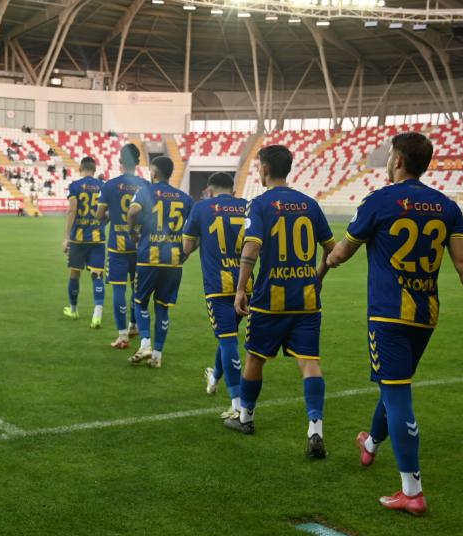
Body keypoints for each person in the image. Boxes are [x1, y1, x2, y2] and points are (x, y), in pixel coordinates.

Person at [325, 133, 463, 514]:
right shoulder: (446, 207)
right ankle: (371, 444)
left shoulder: (379, 201)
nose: (388, 161)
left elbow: (343, 251)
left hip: (388, 315)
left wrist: (329, 261)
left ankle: (412, 492)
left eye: (389, 155)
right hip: (425, 314)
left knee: (398, 395)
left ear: (398, 160)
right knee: (394, 385)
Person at [227, 148, 335, 459]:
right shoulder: (310, 204)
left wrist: (240, 288)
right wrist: (318, 276)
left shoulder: (260, 204)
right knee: (310, 362)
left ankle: (245, 417)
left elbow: (251, 247)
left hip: (270, 299)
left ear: (264, 168)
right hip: (306, 299)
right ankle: (315, 429)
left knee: (255, 358)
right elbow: (331, 248)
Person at [181, 171, 248, 422]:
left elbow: (187, 247)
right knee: (227, 335)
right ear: (233, 190)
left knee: (228, 340)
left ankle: (238, 405)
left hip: (218, 286)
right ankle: (215, 376)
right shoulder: (247, 206)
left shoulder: (201, 208)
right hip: (245, 285)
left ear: (209, 190)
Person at [124, 156, 191, 369]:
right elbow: (194, 232)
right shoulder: (184, 198)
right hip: (173, 260)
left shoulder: (145, 191)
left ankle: (145, 343)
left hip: (149, 258)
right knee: (162, 307)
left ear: (154, 172)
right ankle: (157, 355)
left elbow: (133, 211)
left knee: (140, 301)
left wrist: (132, 232)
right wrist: (186, 253)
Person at [95, 144, 148, 349]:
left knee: (119, 288)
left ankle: (123, 336)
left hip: (117, 246)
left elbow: (100, 215)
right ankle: (134, 325)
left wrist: (112, 215)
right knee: (137, 287)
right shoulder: (145, 185)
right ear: (138, 162)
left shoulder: (110, 185)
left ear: (119, 161)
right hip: (139, 245)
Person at [62, 156, 106, 327]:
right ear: (94, 170)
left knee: (74, 274)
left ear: (80, 169)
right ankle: (97, 315)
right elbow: (107, 213)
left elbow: (72, 211)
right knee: (97, 275)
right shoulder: (103, 186)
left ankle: (73, 310)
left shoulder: (74, 186)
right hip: (97, 238)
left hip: (78, 239)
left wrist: (66, 237)